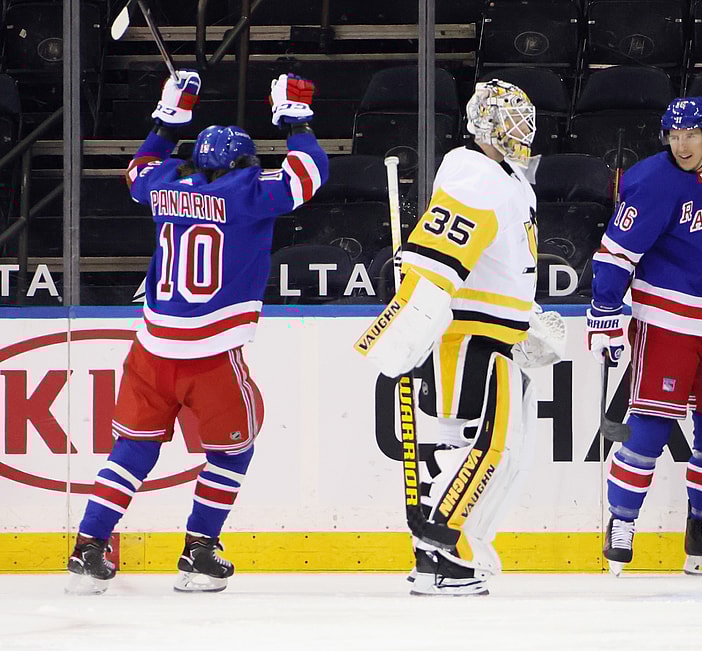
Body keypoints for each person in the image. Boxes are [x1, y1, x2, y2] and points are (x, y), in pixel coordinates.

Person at [65, 71, 328, 594]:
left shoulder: (163, 184)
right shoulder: (248, 191)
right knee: (232, 451)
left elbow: (137, 167)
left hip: (151, 350)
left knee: (133, 451)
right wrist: (294, 118)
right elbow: (308, 175)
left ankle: (88, 548)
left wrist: (169, 118)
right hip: (210, 355)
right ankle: (199, 552)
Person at [354, 79, 562, 596]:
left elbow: (504, 268)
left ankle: (433, 557)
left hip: (493, 333)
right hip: (472, 337)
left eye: (524, 118)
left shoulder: (506, 178)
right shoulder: (477, 177)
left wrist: (526, 314)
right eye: (511, 119)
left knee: (467, 445)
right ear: (485, 124)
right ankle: (446, 546)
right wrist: (404, 320)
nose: (523, 129)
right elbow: (434, 261)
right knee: (492, 446)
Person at [587, 97, 702, 576]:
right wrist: (606, 312)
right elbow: (614, 254)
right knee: (650, 427)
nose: (682, 144)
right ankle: (622, 521)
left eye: (691, 134)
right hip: (667, 322)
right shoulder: (651, 181)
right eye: (674, 135)